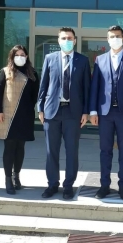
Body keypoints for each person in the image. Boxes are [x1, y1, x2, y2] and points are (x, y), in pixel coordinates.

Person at [89, 25, 123, 200]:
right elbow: (95, 87)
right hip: (104, 113)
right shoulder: (100, 59)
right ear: (107, 39)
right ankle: (104, 186)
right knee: (105, 151)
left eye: (118, 36)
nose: (115, 39)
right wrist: (93, 111)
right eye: (112, 36)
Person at [38, 27, 91, 200]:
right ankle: (52, 184)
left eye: (69, 38)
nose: (67, 41)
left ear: (75, 40)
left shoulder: (83, 61)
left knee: (71, 151)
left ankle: (68, 186)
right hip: (51, 112)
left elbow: (87, 88)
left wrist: (86, 112)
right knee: (51, 151)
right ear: (58, 40)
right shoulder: (49, 58)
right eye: (63, 38)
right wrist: (40, 108)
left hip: (73, 112)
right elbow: (43, 85)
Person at [0, 45, 39, 195]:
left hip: (25, 116)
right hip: (8, 115)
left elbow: (35, 95)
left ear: (27, 56)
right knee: (9, 147)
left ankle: (16, 176)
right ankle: (8, 179)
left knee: (20, 147)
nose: (20, 57)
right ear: (12, 57)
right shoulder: (5, 72)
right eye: (17, 55)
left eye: (22, 54)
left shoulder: (32, 73)